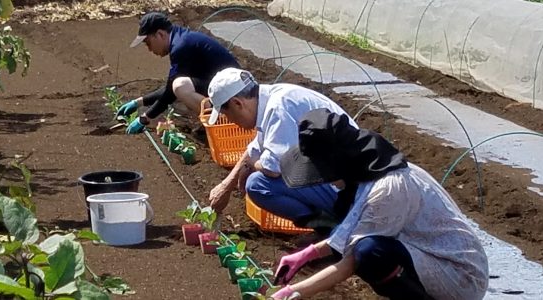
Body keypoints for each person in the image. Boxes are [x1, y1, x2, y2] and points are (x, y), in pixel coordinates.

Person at [269, 108, 489, 300]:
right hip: (429, 255)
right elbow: (348, 231)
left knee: (370, 253)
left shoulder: (389, 188)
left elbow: (352, 260)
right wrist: (308, 254)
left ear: (338, 163)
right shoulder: (370, 171)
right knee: (361, 243)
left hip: (460, 276)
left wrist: (294, 292)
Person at [206, 67, 359, 231]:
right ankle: (329, 225)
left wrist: (253, 163)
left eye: (228, 115)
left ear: (237, 103)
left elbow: (274, 169)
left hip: (352, 192)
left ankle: (333, 228)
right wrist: (226, 186)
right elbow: (255, 149)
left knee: (258, 184)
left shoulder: (279, 108)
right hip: (343, 178)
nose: (231, 121)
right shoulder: (273, 99)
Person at [116, 12, 240, 134]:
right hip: (229, 88)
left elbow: (171, 92)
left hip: (235, 94)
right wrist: (138, 102)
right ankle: (217, 117)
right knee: (179, 85)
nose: (149, 49)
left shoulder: (180, 47)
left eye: (148, 43)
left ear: (160, 34)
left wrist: (144, 119)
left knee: (180, 86)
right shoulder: (181, 39)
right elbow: (170, 88)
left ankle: (220, 122)